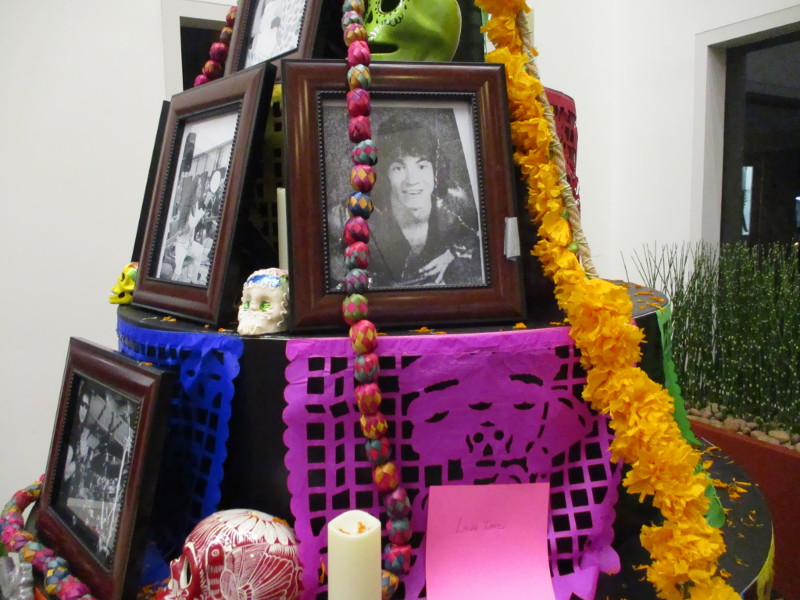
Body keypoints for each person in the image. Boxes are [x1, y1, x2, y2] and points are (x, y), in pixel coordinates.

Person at [365, 120, 483, 289]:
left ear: (435, 170)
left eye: (422, 166)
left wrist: (453, 254)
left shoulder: (456, 204)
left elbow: (481, 237)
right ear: (385, 174)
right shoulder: (365, 219)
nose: (412, 180)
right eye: (398, 168)